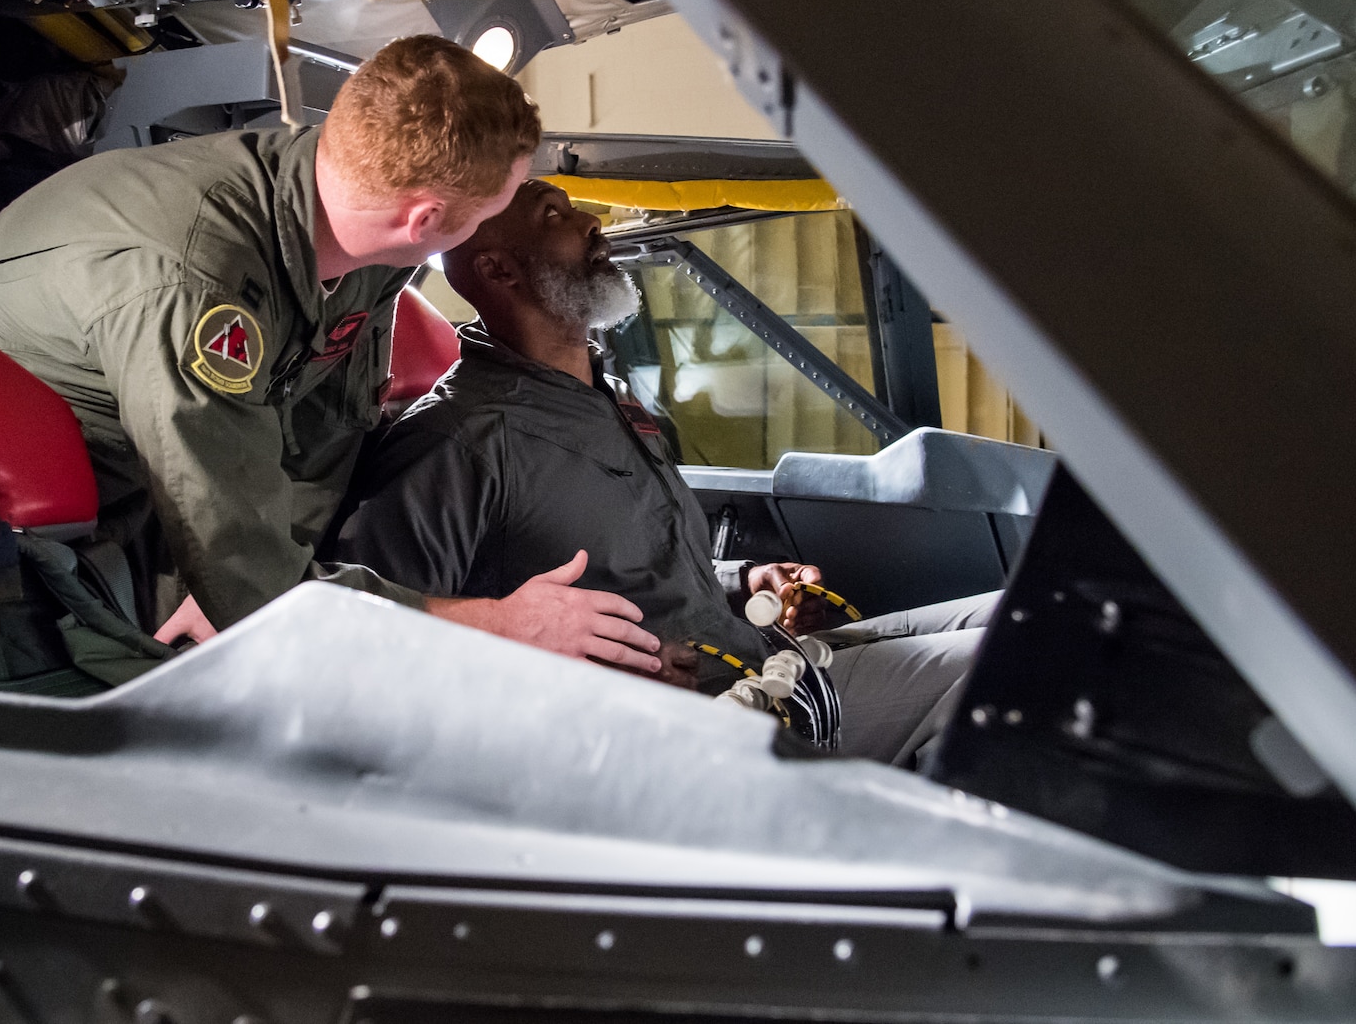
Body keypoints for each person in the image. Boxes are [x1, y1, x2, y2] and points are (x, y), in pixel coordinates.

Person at [0, 37, 662, 675]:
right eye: (495, 204)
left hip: (155, 463)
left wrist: (259, 578)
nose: (497, 220)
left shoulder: (365, 233)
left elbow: (322, 432)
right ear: (427, 218)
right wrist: (498, 624)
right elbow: (247, 574)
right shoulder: (194, 287)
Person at [326, 180, 993, 765]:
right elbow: (378, 647)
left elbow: (645, 561)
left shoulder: (605, 395)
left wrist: (744, 580)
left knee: (1013, 615)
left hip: (753, 646)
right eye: (555, 214)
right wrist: (584, 687)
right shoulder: (455, 442)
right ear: (500, 269)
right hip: (707, 718)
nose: (592, 222)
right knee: (1006, 672)